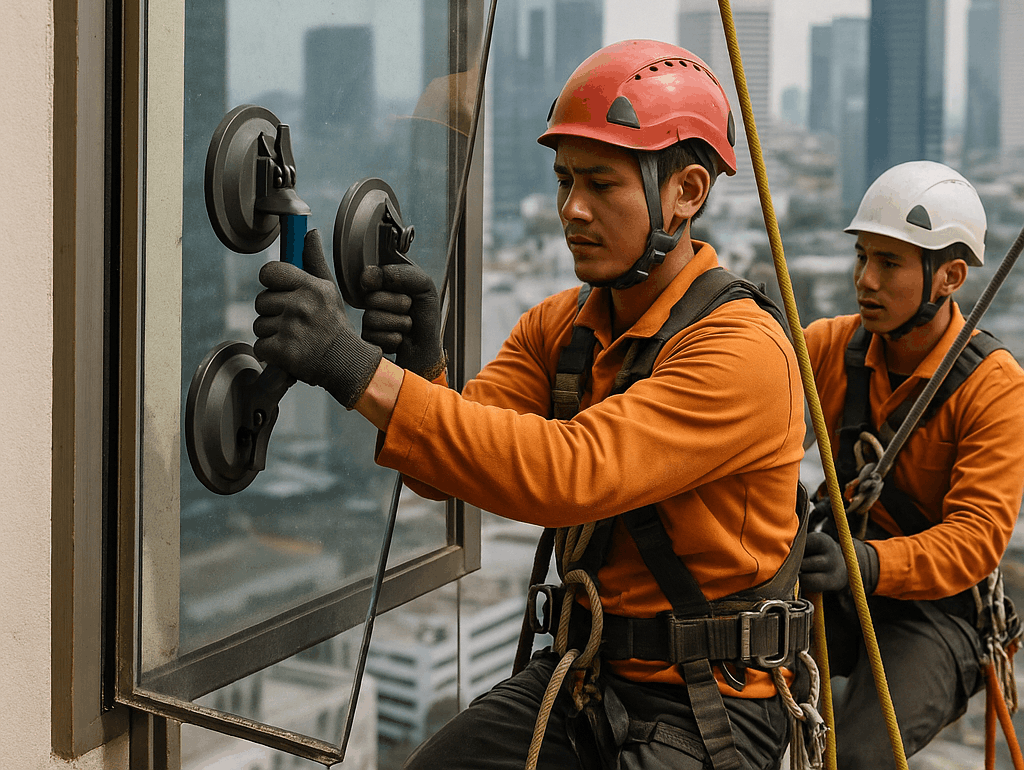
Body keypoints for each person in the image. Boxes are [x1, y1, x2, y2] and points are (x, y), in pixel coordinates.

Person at [253, 39, 809, 770]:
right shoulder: (562, 326)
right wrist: (421, 367)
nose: (571, 209)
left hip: (712, 711)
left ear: (688, 191)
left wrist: (351, 367)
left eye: (601, 184)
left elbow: (569, 474)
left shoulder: (741, 352)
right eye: (564, 179)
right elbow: (445, 470)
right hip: (585, 681)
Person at [799, 161, 1024, 769]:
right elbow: (749, 411)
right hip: (842, 583)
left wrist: (867, 562)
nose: (864, 280)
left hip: (937, 613)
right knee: (737, 701)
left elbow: (976, 541)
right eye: (861, 257)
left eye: (889, 264)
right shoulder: (831, 347)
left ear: (949, 277)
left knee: (860, 758)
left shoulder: (993, 386)